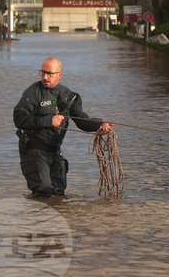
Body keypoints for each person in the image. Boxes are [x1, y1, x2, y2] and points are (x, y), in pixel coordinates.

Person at [13, 57, 111, 199]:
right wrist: (48, 120)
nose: (45, 77)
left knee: (59, 195)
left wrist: (99, 125)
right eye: (42, 73)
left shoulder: (69, 96)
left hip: (55, 152)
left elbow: (81, 119)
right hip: (34, 151)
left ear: (60, 74)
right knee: (43, 193)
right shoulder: (33, 92)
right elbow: (19, 119)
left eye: (49, 73)